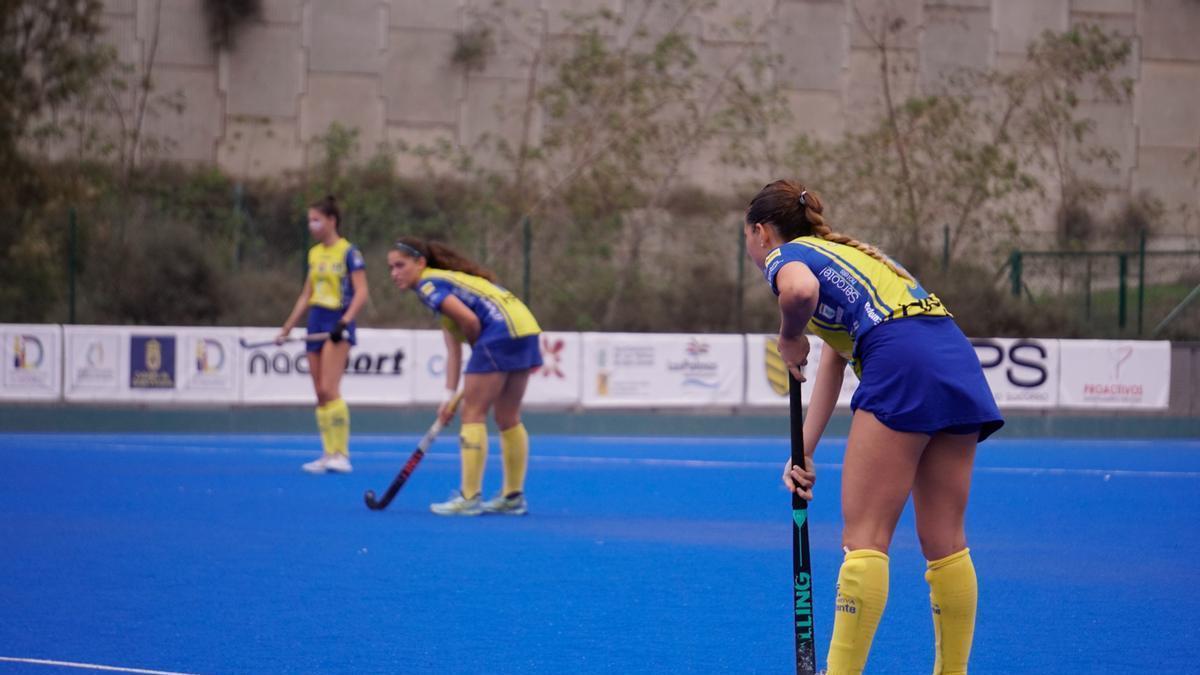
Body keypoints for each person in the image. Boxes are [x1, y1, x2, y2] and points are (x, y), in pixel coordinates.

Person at [744, 180, 1003, 674]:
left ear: (761, 232)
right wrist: (806, 450)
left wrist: (787, 337)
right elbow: (837, 360)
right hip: (951, 354)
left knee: (865, 537)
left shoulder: (786, 257)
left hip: (900, 359)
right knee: (946, 541)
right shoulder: (847, 256)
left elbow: (798, 293)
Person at [387, 237, 542, 516]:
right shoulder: (447, 284)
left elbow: (470, 322)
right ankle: (512, 497)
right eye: (391, 268)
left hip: (499, 332)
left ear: (420, 263)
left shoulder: (428, 285)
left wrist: (480, 351)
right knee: (508, 417)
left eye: (400, 265)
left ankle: (469, 497)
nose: (394, 273)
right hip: (525, 327)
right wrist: (448, 398)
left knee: (472, 413)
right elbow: (453, 350)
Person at [277, 195, 369, 474]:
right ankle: (328, 453)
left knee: (330, 388)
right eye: (309, 220)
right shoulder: (314, 253)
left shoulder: (349, 252)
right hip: (316, 320)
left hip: (337, 321)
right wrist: (288, 327)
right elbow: (307, 293)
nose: (312, 225)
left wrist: (345, 321)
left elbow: (362, 292)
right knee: (319, 392)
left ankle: (342, 454)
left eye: (317, 219)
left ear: (332, 221)